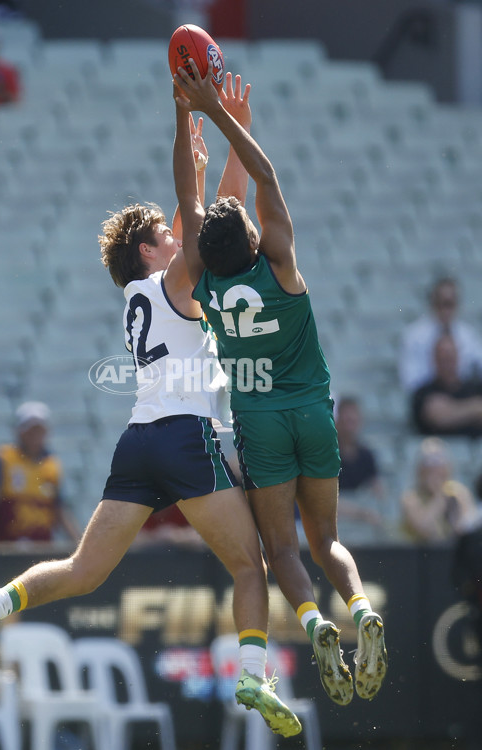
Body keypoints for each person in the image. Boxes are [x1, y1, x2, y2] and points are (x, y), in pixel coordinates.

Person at [0, 75, 302, 740]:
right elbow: (216, 216)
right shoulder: (173, 281)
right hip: (185, 436)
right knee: (252, 564)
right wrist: (217, 124)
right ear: (149, 249)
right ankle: (254, 671)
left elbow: (201, 221)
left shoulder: (141, 293)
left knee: (82, 571)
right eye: (164, 230)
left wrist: (199, 149)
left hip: (138, 442)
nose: (174, 230)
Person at [172, 60, 387, 706]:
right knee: (328, 541)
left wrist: (185, 113)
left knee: (281, 550)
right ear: (256, 236)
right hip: (313, 413)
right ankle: (358, 606)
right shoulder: (282, 265)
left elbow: (188, 198)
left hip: (260, 424)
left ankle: (316, 623)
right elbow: (263, 176)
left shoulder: (206, 282)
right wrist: (222, 116)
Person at [0, 401, 82, 544]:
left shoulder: (52, 464)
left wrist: (78, 543)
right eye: (30, 430)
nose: (35, 435)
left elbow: (60, 510)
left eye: (39, 430)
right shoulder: (3, 459)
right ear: (19, 431)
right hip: (6, 549)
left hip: (42, 550)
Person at [399, 276, 482, 395]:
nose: (446, 310)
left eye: (450, 304)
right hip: (428, 396)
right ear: (433, 303)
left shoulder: (468, 335)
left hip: (462, 394)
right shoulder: (414, 336)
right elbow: (410, 380)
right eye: (442, 304)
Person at [400, 437, 477, 543]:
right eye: (429, 461)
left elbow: (467, 526)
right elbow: (424, 529)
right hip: (419, 556)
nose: (435, 468)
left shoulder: (458, 492)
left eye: (439, 460)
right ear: (420, 469)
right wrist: (439, 497)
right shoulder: (411, 497)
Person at [412, 332, 482, 437]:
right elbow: (439, 417)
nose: (447, 363)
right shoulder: (423, 393)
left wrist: (451, 409)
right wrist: (475, 407)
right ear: (434, 359)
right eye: (443, 358)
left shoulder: (475, 388)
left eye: (450, 357)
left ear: (458, 357)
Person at [335, 396, 386, 532]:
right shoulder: (326, 455)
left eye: (353, 420)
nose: (350, 425)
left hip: (363, 521)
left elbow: (378, 490)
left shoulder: (367, 455)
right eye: (346, 420)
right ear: (337, 421)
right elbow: (323, 499)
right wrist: (360, 513)